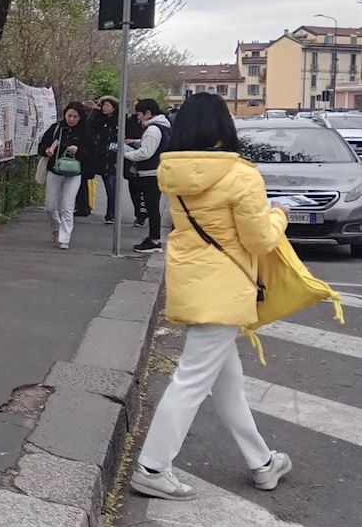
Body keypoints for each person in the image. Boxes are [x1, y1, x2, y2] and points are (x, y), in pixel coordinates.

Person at [129, 92, 291, 500]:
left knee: (227, 383)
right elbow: (259, 240)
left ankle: (262, 462)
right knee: (191, 381)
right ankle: (152, 467)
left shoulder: (172, 172)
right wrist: (279, 216)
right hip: (224, 287)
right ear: (224, 125)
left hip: (193, 281)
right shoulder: (241, 175)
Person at [38, 102, 87, 250]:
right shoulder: (56, 128)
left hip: (75, 173)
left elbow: (91, 151)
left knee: (67, 206)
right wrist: (47, 150)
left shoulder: (85, 131)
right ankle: (56, 228)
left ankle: (65, 238)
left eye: (75, 117)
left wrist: (78, 150)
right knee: (50, 206)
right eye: (69, 115)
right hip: (55, 171)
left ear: (80, 117)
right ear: (65, 115)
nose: (71, 119)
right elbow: (42, 146)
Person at [124, 98, 171, 253]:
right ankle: (153, 238)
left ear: (148, 113)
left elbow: (146, 153)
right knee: (152, 207)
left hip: (150, 173)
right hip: (156, 171)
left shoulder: (152, 130)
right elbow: (150, 144)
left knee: (151, 207)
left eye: (139, 114)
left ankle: (154, 240)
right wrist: (136, 142)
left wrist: (125, 153)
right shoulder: (162, 126)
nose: (138, 118)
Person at [91, 96, 121, 223]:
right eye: (103, 105)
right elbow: (89, 125)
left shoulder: (119, 120)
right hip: (100, 157)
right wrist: (95, 110)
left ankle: (111, 214)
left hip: (112, 158)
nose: (104, 108)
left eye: (107, 105)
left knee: (111, 187)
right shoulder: (99, 119)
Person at [74, 100, 99, 217]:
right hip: (90, 156)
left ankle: (82, 207)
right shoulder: (96, 119)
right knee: (83, 183)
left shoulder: (87, 123)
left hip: (85, 157)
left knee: (81, 183)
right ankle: (85, 206)